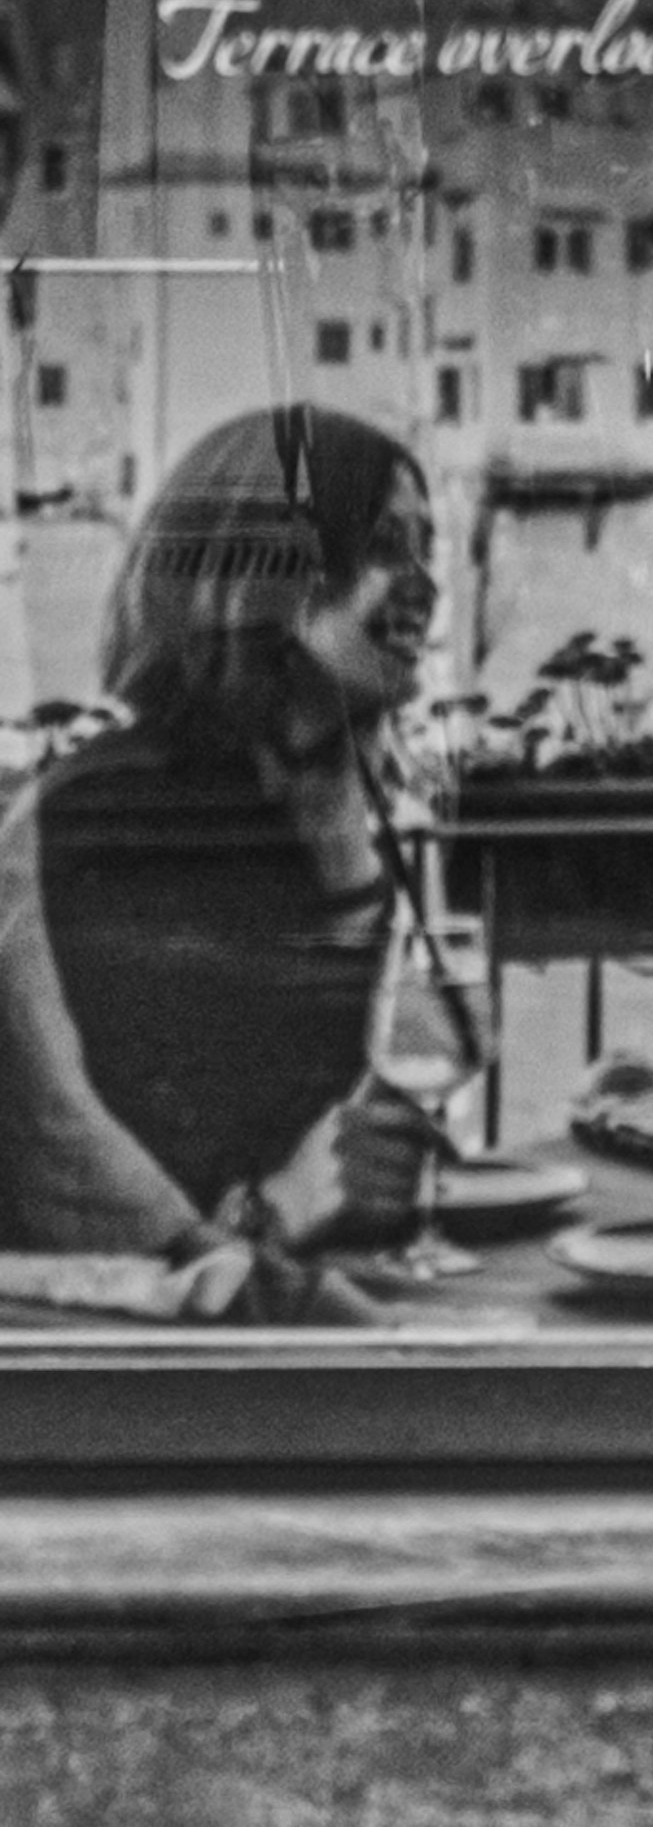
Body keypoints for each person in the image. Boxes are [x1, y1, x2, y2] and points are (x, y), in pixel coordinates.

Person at [0, 407, 439, 1294]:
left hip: (290, 1313)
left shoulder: (323, 799)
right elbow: (84, 1184)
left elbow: (342, 1125)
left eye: (427, 548)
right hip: (148, 1368)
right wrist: (275, 1213)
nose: (427, 583)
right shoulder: (123, 815)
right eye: (387, 546)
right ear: (268, 575)